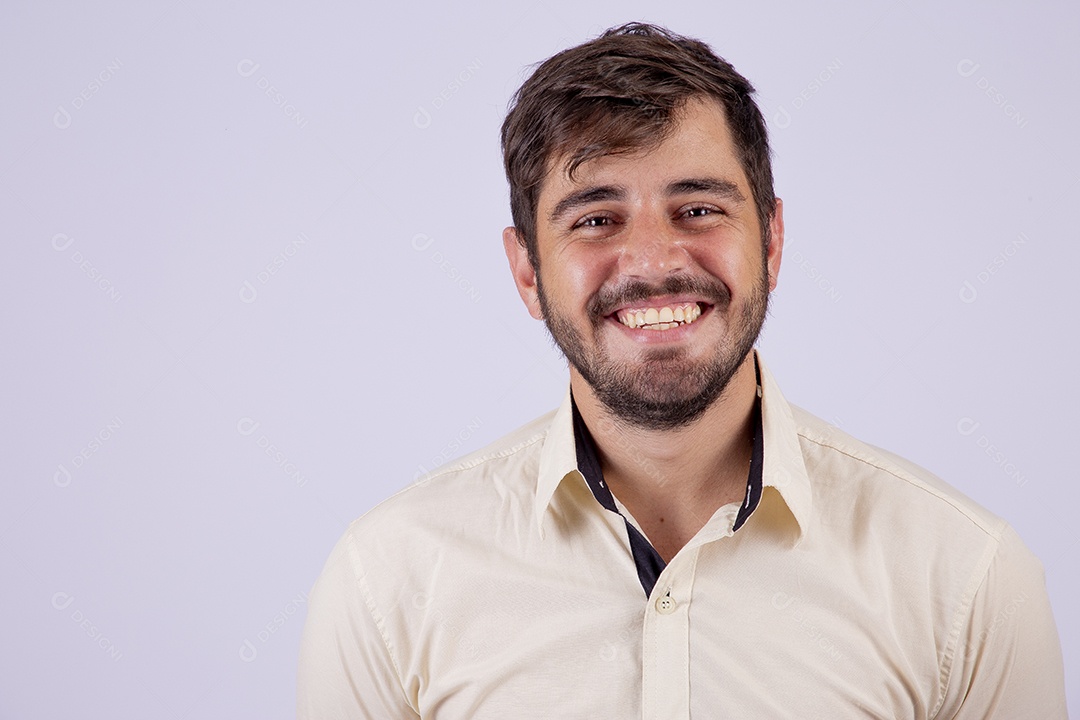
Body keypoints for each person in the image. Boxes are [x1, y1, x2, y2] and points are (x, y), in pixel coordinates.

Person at [297, 23, 1067, 719]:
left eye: (697, 208)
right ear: (527, 271)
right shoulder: (387, 582)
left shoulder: (968, 579)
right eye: (596, 219)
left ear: (770, 242)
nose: (656, 262)